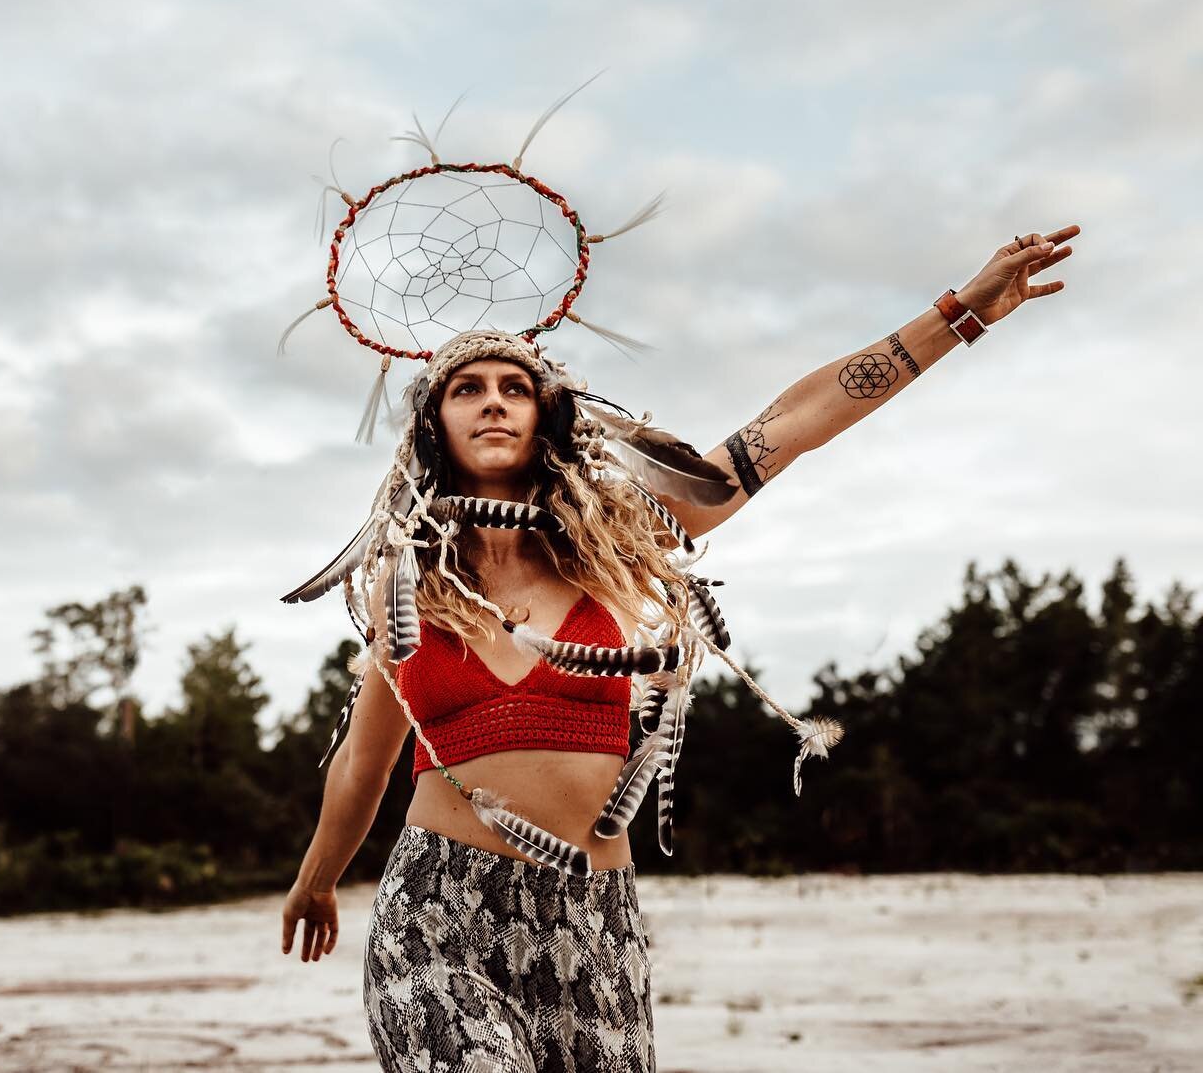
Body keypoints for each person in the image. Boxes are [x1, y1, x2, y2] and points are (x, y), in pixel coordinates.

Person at [280, 226, 1079, 1071]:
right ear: (434, 422)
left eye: (515, 387)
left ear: (544, 414)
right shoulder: (416, 588)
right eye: (466, 388)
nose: (492, 401)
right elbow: (362, 763)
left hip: (595, 918)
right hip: (439, 912)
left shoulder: (618, 546)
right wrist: (317, 878)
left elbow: (792, 424)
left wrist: (955, 315)